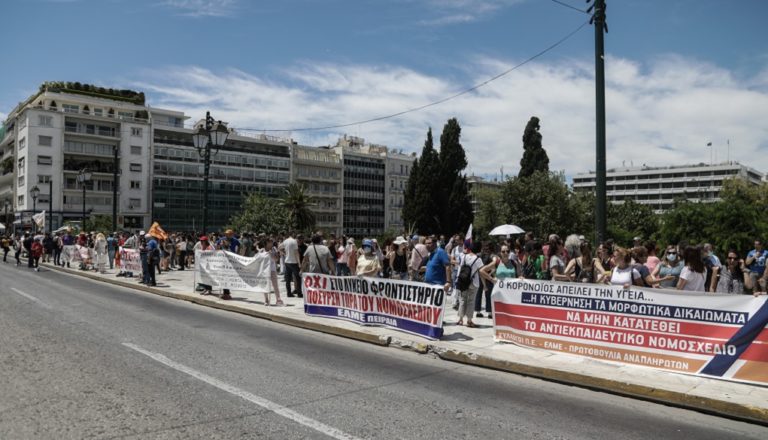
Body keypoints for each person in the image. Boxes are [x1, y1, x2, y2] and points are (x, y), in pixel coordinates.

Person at [456, 241, 484, 327]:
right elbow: (481, 272)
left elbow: (460, 267)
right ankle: (469, 320)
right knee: (471, 301)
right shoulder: (478, 259)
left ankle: (460, 319)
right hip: (473, 282)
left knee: (462, 300)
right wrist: (485, 284)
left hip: (463, 281)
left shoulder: (463, 256)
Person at [281, 233, 302, 298]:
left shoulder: (285, 241)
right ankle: (299, 293)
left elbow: (279, 247)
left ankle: (289, 293)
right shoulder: (294, 242)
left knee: (288, 279)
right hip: (294, 262)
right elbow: (296, 253)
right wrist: (299, 263)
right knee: (298, 278)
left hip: (287, 261)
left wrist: (284, 253)